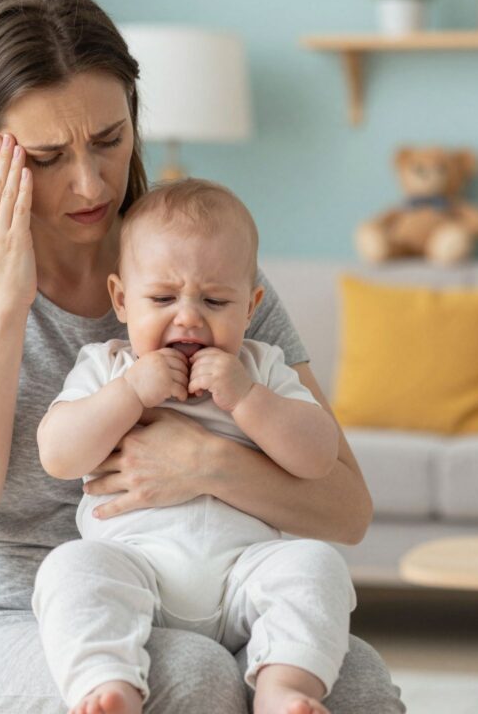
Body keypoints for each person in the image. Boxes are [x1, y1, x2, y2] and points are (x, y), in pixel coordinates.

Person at [0, 0, 404, 714]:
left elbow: (346, 511)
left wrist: (205, 464)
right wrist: (6, 304)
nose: (89, 183)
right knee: (191, 677)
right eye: (48, 156)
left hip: (209, 599)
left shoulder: (205, 274)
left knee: (358, 681)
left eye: (110, 140)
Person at [34, 179, 354, 714]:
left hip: (244, 578)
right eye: (162, 298)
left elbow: (319, 455)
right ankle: (106, 683)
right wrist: (131, 393)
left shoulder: (262, 367)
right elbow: (59, 455)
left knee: (316, 565)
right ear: (121, 300)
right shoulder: (108, 366)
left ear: (250, 306)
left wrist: (249, 399)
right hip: (135, 572)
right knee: (71, 568)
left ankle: (284, 688)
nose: (188, 317)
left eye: (215, 300)